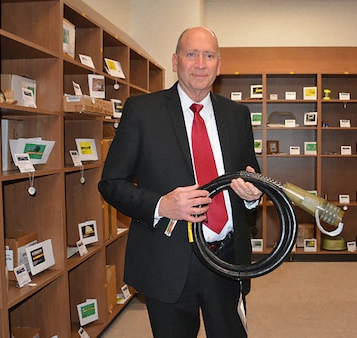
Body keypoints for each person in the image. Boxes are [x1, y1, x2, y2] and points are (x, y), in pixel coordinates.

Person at [98, 26, 262, 338]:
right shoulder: (142, 111)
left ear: (219, 64)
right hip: (168, 260)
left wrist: (253, 194)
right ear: (175, 61)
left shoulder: (236, 115)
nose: (201, 63)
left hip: (227, 259)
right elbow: (111, 183)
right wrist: (162, 205)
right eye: (191, 54)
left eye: (209, 55)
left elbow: (250, 174)